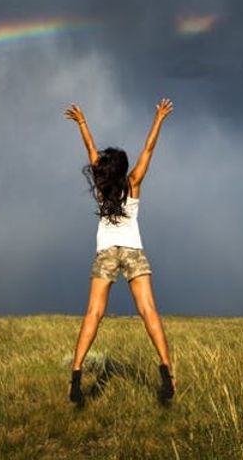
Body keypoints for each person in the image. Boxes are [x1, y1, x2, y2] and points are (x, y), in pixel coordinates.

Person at [63, 97, 176, 404]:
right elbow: (148, 149)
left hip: (106, 253)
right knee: (148, 310)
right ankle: (166, 373)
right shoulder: (134, 183)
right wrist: (159, 119)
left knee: (93, 313)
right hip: (133, 250)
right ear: (124, 169)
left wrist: (82, 122)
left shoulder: (102, 187)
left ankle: (76, 377)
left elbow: (91, 150)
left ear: (105, 170)